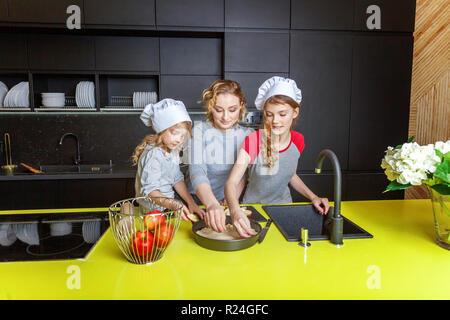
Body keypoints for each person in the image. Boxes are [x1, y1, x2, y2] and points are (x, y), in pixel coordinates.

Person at [224, 76, 330, 238]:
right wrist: (235, 210)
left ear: (295, 112)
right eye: (269, 114)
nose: (275, 121)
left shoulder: (298, 140)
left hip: (284, 210)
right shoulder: (253, 141)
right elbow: (231, 183)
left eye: (282, 114)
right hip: (253, 211)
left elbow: (291, 175)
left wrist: (313, 197)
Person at [186, 79, 253, 232]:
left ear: (241, 105)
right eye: (218, 109)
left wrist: (231, 201)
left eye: (232, 109)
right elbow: (197, 171)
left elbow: (243, 175)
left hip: (227, 201)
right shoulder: (199, 131)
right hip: (198, 200)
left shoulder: (248, 135)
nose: (225, 117)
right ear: (210, 107)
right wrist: (211, 204)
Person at [132, 98, 205, 221]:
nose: (179, 139)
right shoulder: (154, 154)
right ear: (161, 130)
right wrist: (173, 204)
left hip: (168, 204)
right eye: (175, 133)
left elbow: (176, 179)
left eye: (182, 135)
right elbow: (150, 191)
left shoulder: (172, 150)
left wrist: (191, 203)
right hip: (154, 212)